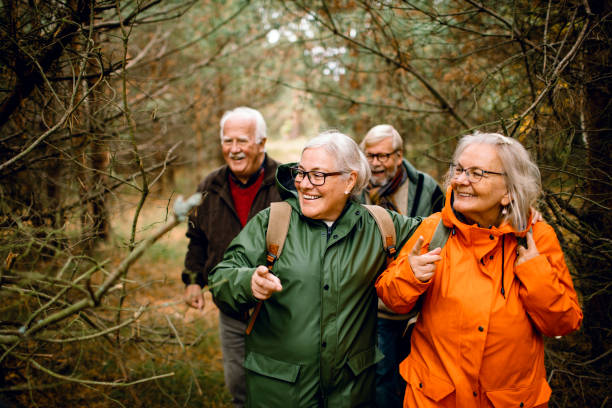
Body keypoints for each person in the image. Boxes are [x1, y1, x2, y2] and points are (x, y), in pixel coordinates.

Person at [209, 131, 423, 407]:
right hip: (279, 392)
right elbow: (219, 278)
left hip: (351, 393)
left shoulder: (379, 226)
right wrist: (247, 282)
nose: (304, 184)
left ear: (350, 180)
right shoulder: (273, 222)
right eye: (301, 173)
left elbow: (442, 232)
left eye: (318, 175)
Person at [376, 132, 583, 407]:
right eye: (459, 170)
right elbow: (391, 299)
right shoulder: (435, 230)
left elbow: (564, 322)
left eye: (477, 173)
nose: (460, 180)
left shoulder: (536, 238)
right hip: (434, 399)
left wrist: (535, 271)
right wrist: (410, 274)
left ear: (508, 191)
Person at [182, 106, 281, 408]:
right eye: (228, 141)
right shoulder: (209, 186)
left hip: (278, 307)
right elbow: (196, 239)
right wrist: (193, 280)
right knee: (238, 385)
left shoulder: (286, 184)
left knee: (278, 386)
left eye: (243, 141)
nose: (234, 150)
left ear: (262, 143)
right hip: (231, 305)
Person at [360, 124, 444, 407]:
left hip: (420, 306)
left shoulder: (425, 187)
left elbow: (446, 229)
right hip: (375, 305)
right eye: (370, 156)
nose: (375, 163)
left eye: (383, 156)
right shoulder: (355, 188)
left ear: (398, 156)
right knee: (381, 376)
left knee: (417, 376)